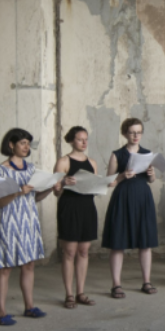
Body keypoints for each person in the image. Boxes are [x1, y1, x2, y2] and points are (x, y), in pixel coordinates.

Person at [0, 128, 52, 325]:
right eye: (23, 143)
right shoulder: (0, 171)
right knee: (5, 267)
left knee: (29, 264)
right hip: (8, 221)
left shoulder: (32, 168)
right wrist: (17, 192)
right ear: (11, 145)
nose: (27, 147)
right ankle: (1, 312)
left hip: (29, 221)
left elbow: (36, 197)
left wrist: (50, 187)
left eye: (28, 143)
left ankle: (29, 306)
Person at [103, 117, 160, 297]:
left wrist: (152, 174)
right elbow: (109, 183)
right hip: (123, 198)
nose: (136, 135)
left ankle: (146, 281)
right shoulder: (117, 154)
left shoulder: (147, 153)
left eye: (139, 132)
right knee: (118, 243)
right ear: (125, 133)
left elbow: (151, 180)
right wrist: (121, 176)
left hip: (143, 198)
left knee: (145, 243)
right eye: (132, 132)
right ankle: (116, 285)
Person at [53, 126, 102, 308]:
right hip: (69, 207)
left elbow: (95, 187)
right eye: (80, 139)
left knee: (83, 251)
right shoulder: (63, 161)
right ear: (72, 140)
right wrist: (63, 182)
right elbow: (55, 191)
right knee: (69, 252)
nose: (84, 142)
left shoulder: (93, 162)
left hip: (87, 207)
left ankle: (81, 292)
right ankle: (69, 294)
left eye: (86, 139)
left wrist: (103, 184)